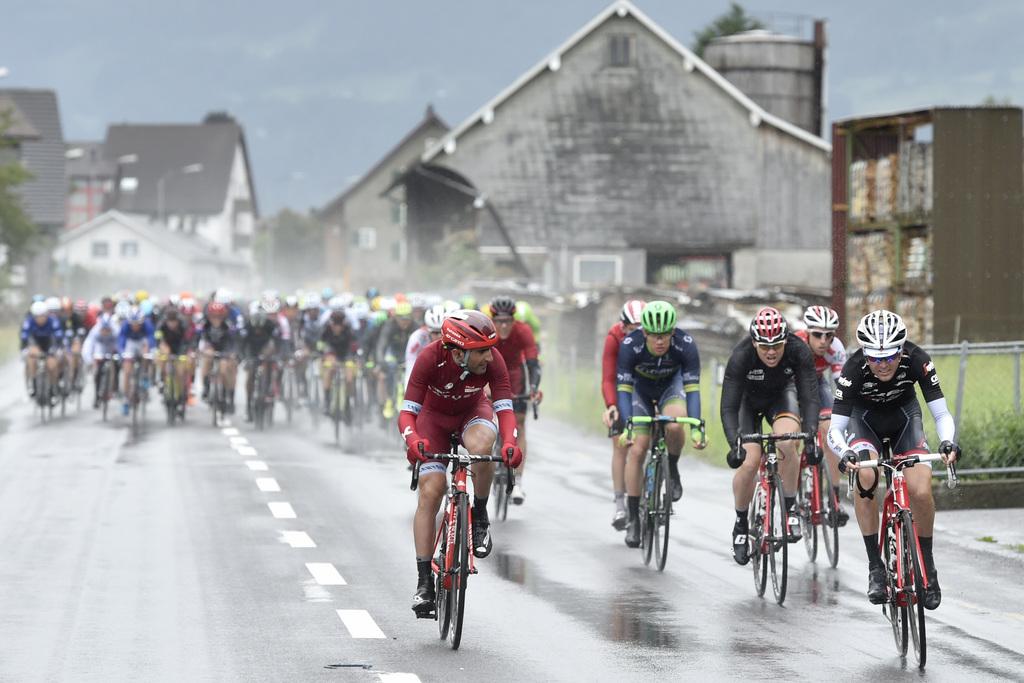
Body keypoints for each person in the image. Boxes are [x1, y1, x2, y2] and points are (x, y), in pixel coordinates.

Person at [828, 310, 960, 610]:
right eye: (875, 358)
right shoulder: (852, 369)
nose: (883, 364)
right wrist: (845, 453)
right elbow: (835, 429)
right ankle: (876, 568)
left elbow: (941, 413)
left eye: (890, 356)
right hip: (865, 424)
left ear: (902, 349)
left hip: (904, 421)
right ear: (865, 354)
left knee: (922, 490)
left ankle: (927, 566)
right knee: (866, 476)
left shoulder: (918, 359)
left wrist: (948, 442)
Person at [400, 310, 522, 616]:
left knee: (483, 447)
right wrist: (413, 440)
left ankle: (479, 516)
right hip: (433, 421)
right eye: (481, 352)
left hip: (472, 412)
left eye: (489, 350)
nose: (489, 358)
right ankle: (424, 580)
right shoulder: (429, 358)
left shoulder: (494, 360)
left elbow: (505, 408)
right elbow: (407, 413)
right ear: (457, 352)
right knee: (432, 490)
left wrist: (510, 442)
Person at [721, 307, 819, 565]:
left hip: (781, 396)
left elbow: (809, 397)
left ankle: (790, 507)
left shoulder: (799, 350)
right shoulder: (741, 356)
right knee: (750, 461)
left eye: (777, 345)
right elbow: (729, 406)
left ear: (786, 340)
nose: (772, 352)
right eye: (765, 346)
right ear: (754, 342)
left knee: (788, 441)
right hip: (747, 403)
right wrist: (735, 445)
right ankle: (741, 525)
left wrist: (809, 438)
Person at [616, 301, 704, 547]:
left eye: (665, 335)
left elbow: (692, 390)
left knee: (675, 425)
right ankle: (634, 518)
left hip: (670, 388)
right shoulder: (629, 346)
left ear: (673, 332)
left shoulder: (685, 345)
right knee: (638, 448)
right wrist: (627, 426)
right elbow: (623, 391)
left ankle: (673, 469)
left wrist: (696, 425)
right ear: (644, 332)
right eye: (654, 335)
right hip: (639, 392)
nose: (660, 341)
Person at [794, 305, 850, 526]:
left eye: (829, 335)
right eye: (817, 334)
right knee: (794, 436)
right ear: (807, 332)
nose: (823, 340)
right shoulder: (796, 345)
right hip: (793, 386)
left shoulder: (836, 349)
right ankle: (794, 488)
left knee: (829, 432)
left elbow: (842, 385)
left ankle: (834, 501)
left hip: (817, 384)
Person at [488, 295, 542, 505]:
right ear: (492, 320)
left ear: (514, 320)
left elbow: (532, 364)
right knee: (489, 423)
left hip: (515, 378)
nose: (503, 325)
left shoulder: (523, 331)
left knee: (519, 425)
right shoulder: (486, 330)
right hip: (490, 376)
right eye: (499, 321)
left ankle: (517, 481)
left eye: (507, 321)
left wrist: (534, 388)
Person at [601, 299, 645, 530]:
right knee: (621, 445)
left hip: (647, 388)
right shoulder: (614, 337)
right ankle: (620, 503)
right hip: (621, 389)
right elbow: (608, 377)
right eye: (632, 329)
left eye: (641, 329)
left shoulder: (654, 336)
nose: (637, 334)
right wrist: (611, 405)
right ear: (623, 325)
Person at [240, 301, 283, 422]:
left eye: (260, 328)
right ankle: (249, 406)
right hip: (252, 351)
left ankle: (270, 391)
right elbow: (242, 344)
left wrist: (278, 355)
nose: (258, 330)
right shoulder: (247, 326)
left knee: (272, 367)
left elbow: (278, 342)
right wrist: (244, 357)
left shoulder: (271, 325)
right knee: (250, 375)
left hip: (266, 351)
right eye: (256, 328)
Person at [376, 301, 416, 419]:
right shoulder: (389, 326)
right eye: (401, 318)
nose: (405, 321)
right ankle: (389, 398)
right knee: (391, 368)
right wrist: (381, 361)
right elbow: (381, 346)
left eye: (407, 318)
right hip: (392, 354)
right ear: (396, 318)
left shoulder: (415, 327)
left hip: (409, 356)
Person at [198, 302, 239, 413]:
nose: (216, 319)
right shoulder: (204, 324)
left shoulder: (229, 325)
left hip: (224, 349)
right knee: (207, 360)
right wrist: (201, 349)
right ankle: (206, 388)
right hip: (210, 347)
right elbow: (199, 338)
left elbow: (234, 341)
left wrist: (232, 353)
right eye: (213, 316)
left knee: (224, 368)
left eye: (219, 316)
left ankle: (227, 393)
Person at [117, 307, 157, 416]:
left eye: (138, 324)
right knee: (127, 371)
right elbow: (121, 339)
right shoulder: (125, 325)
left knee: (146, 351)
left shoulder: (147, 324)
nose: (135, 326)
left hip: (142, 341)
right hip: (130, 342)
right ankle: (126, 399)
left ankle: (144, 374)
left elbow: (151, 338)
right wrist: (122, 353)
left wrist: (151, 351)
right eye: (132, 324)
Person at [21, 300, 64, 400]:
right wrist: (24, 349)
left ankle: (53, 388)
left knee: (52, 365)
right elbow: (24, 336)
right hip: (36, 344)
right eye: (37, 316)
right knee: (31, 360)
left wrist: (57, 349)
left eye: (43, 316)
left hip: (49, 343)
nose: (40, 319)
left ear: (46, 314)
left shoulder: (53, 321)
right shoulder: (29, 321)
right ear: (34, 316)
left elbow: (58, 335)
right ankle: (34, 384)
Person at [318, 309, 356, 416]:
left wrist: (354, 357)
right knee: (329, 370)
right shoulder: (326, 329)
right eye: (334, 324)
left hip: (346, 354)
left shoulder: (349, 330)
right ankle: (327, 401)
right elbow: (321, 344)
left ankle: (348, 403)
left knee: (349, 378)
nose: (337, 328)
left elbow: (354, 346)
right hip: (332, 353)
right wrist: (322, 354)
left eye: (339, 325)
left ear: (344, 324)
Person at [82, 312, 121, 408]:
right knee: (98, 371)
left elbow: (121, 344)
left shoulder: (116, 331)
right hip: (100, 347)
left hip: (113, 346)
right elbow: (88, 345)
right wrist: (89, 360)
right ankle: (97, 395)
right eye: (104, 330)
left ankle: (114, 388)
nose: (106, 332)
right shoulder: (95, 331)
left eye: (108, 330)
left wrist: (121, 356)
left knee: (116, 365)